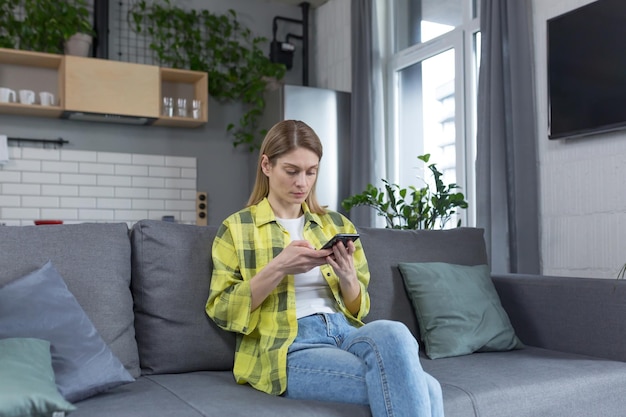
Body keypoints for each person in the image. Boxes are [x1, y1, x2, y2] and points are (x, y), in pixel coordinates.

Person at [206, 120, 444, 416]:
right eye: (291, 171)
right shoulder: (237, 228)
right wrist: (279, 267)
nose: (302, 183)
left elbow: (360, 309)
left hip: (346, 333)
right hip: (290, 346)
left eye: (311, 172)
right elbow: (222, 310)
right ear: (267, 165)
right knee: (429, 389)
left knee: (394, 332)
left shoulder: (337, 224)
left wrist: (348, 279)